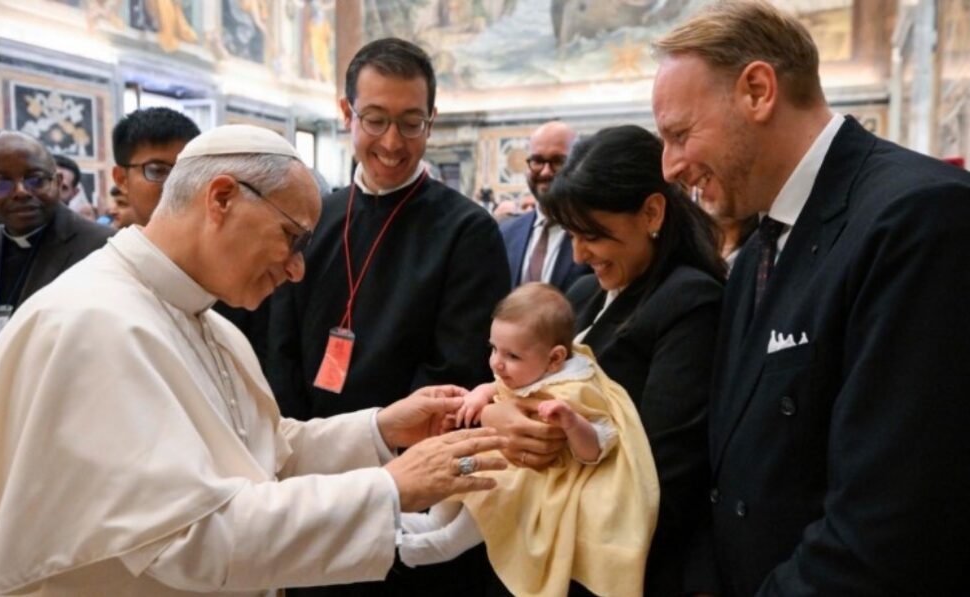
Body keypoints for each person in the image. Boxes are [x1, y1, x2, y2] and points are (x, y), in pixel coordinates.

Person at [0, 124, 509, 596]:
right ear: (223, 198)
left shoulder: (204, 320)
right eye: (292, 237)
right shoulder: (94, 324)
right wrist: (393, 486)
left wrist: (380, 429)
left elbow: (259, 454)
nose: (298, 268)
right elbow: (187, 539)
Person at [651, 2, 970, 595]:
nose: (671, 165)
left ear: (758, 91)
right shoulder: (759, 251)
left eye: (680, 134)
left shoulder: (924, 219)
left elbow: (891, 526)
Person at [266, 37, 511, 596]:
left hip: (406, 495)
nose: (393, 143)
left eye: (412, 123)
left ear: (432, 119)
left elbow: (454, 371)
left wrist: (382, 472)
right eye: (375, 120)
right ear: (346, 112)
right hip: (309, 485)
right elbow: (279, 347)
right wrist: (296, 458)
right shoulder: (312, 219)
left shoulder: (467, 232)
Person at [530, 124, 725, 595]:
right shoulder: (584, 294)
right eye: (571, 234)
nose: (578, 254)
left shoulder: (690, 302)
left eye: (592, 234)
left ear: (652, 212)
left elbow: (661, 473)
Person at [398, 282, 659, 597]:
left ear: (554, 359)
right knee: (448, 491)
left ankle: (416, 548)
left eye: (511, 355)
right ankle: (407, 527)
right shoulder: (526, 370)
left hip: (525, 483)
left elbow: (600, 444)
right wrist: (480, 395)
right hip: (494, 459)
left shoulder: (577, 389)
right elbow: (496, 386)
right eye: (493, 348)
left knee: (469, 524)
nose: (497, 363)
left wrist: (572, 423)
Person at [0, 131, 113, 369]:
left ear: (58, 183)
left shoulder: (105, 246)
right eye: (1, 183)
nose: (20, 191)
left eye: (35, 180)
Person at [500, 121, 591, 291]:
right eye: (537, 161)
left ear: (579, 164)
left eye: (558, 161)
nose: (546, 171)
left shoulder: (594, 230)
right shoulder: (506, 234)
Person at [111, 106, 200, 227]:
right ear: (122, 179)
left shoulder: (222, 243)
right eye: (158, 171)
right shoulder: (107, 245)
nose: (176, 183)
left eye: (187, 171)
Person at [53, 154, 96, 220]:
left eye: (63, 188)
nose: (53, 192)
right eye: (50, 183)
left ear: (74, 193)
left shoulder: (80, 229)